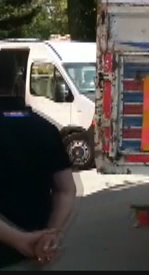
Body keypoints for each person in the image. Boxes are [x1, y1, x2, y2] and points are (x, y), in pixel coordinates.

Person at [0, 96, 76, 270]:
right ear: (18, 81)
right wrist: (51, 234)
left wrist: (18, 239)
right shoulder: (46, 128)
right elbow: (66, 189)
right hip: (34, 256)